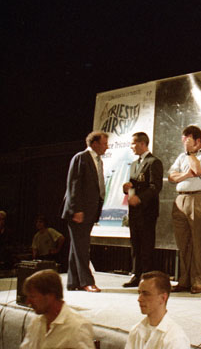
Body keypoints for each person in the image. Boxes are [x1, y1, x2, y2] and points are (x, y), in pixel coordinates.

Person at [168, 125, 201, 294]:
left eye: (187, 141)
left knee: (199, 242)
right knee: (183, 242)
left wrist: (190, 154)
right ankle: (184, 280)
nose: (184, 144)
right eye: (183, 141)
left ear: (197, 141)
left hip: (199, 198)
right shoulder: (181, 156)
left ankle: (199, 280)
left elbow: (198, 170)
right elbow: (171, 176)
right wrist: (186, 175)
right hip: (181, 198)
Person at [62, 130, 109, 293]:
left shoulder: (98, 161)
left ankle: (73, 282)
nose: (107, 147)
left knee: (77, 246)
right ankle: (86, 281)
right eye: (104, 144)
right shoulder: (81, 157)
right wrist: (77, 209)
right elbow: (73, 184)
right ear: (94, 144)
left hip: (89, 211)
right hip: (79, 211)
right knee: (82, 247)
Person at [122, 132, 164, 288]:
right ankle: (136, 274)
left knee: (146, 245)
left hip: (147, 211)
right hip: (134, 211)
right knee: (135, 244)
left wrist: (140, 198)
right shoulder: (134, 164)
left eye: (133, 143)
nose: (131, 147)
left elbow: (155, 187)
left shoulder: (154, 162)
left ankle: (146, 276)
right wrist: (127, 189)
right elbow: (134, 185)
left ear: (142, 144)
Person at [20, 269, 94, 349]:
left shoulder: (77, 326)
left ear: (50, 296)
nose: (28, 302)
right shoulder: (36, 322)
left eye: (32, 296)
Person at [125, 271, 190, 349]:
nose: (139, 299)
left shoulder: (175, 338)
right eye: (139, 293)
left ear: (163, 298)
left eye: (146, 294)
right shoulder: (135, 330)